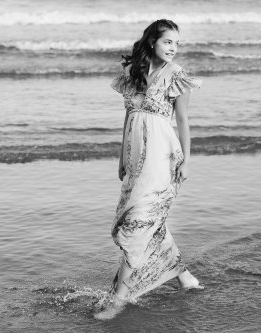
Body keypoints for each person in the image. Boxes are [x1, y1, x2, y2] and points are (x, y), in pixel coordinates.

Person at [94, 19, 203, 320]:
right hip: (135, 158)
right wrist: (121, 157)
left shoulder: (177, 76)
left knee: (137, 225)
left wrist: (186, 161)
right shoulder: (132, 73)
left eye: (177, 44)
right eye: (169, 42)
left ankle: (119, 298)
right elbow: (129, 119)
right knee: (150, 223)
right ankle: (184, 277)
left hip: (162, 159)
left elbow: (182, 122)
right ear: (153, 40)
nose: (173, 48)